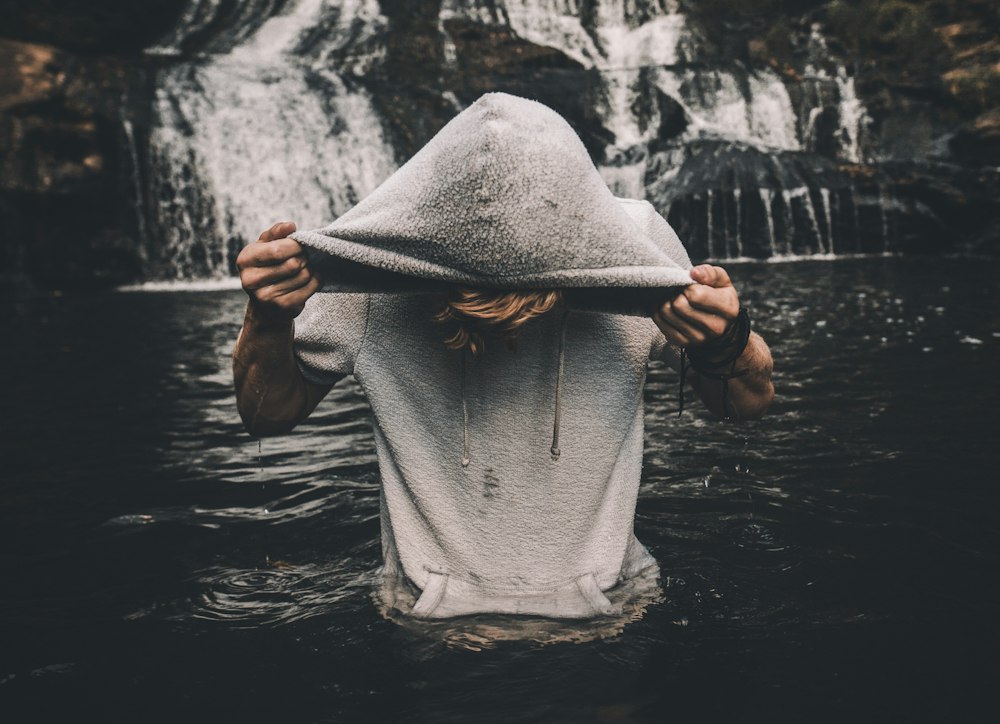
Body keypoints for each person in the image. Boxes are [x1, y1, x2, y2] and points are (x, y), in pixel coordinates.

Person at [232, 93, 773, 622]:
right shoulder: (370, 270)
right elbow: (267, 414)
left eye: (525, 293)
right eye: (469, 290)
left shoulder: (640, 246)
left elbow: (746, 404)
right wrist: (269, 317)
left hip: (615, 606)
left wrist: (725, 339)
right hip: (427, 618)